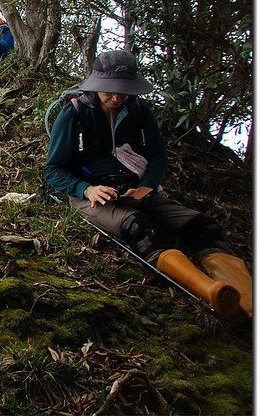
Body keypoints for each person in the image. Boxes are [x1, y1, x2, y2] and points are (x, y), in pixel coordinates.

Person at [43, 50, 252, 320]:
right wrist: (86, 189)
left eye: (124, 91)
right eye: (111, 91)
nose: (117, 98)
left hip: (136, 189)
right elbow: (52, 169)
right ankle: (212, 291)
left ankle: (246, 296)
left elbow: (157, 155)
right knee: (141, 228)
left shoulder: (138, 110)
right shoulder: (74, 114)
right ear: (97, 84)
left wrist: (148, 185)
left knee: (201, 225)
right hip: (93, 196)